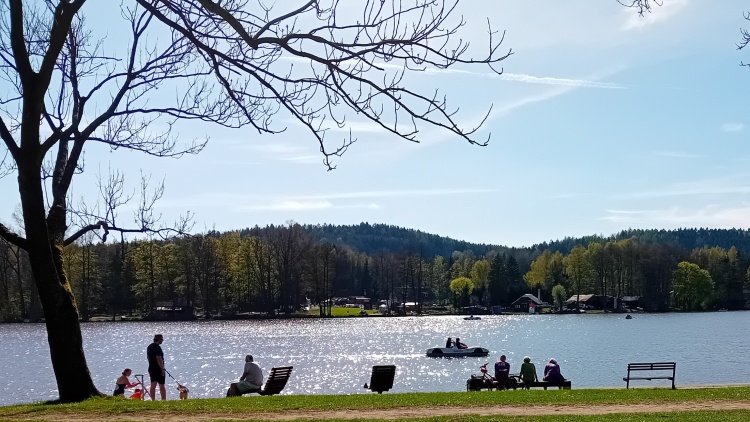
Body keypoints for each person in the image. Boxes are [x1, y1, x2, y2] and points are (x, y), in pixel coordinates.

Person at [147, 334, 167, 400]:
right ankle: (163, 399)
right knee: (162, 385)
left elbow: (148, 357)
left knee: (153, 384)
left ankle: (153, 399)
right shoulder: (157, 347)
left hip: (151, 368)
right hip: (158, 368)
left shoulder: (149, 347)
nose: (162, 340)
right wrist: (162, 368)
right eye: (162, 339)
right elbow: (159, 358)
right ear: (159, 339)